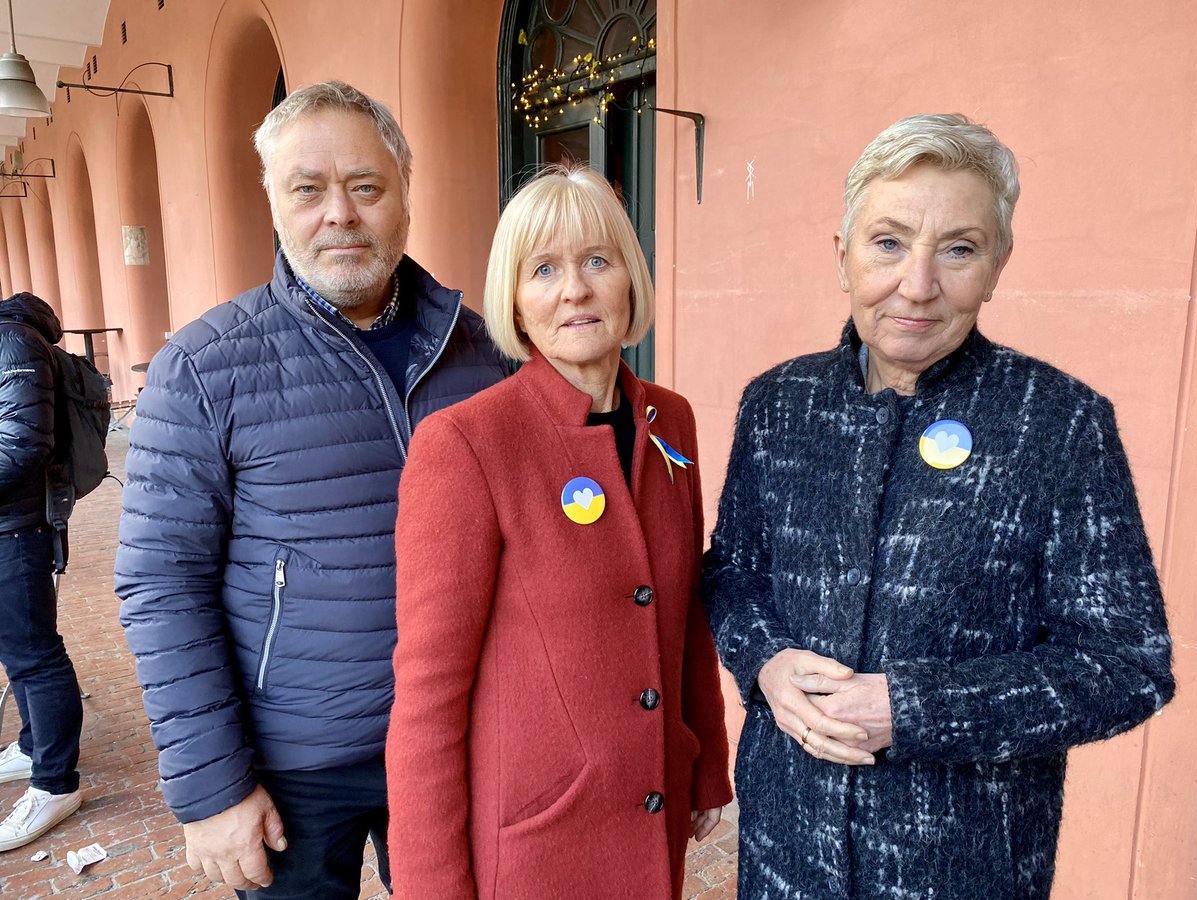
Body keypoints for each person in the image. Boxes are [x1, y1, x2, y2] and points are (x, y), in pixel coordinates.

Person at [703, 113, 1175, 899]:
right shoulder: (778, 404)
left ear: (997, 266)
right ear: (842, 256)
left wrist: (916, 708)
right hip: (785, 851)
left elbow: (1127, 664)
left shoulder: (1057, 423)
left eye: (958, 249)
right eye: (888, 243)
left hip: (966, 868)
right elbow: (733, 572)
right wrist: (766, 662)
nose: (917, 286)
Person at [114, 81, 506, 897]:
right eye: (308, 189)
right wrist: (211, 787)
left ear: (404, 196)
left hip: (460, 737)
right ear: (274, 202)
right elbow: (160, 585)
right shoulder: (202, 370)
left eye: (366, 186)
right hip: (291, 764)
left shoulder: (486, 350)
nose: (341, 214)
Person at [386, 166, 733, 898]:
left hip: (652, 811)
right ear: (515, 298)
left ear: (630, 280)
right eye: (544, 269)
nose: (574, 289)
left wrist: (704, 765)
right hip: (537, 843)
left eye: (596, 262)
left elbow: (684, 611)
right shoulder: (468, 444)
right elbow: (428, 696)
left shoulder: (670, 420)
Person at [0, 292, 85, 852]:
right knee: (18, 650)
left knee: (36, 654)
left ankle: (55, 783)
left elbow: (24, 446)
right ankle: (34, 745)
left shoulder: (11, 340)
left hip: (15, 528)